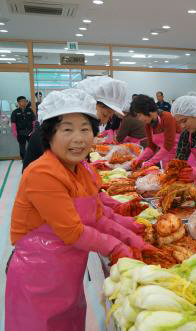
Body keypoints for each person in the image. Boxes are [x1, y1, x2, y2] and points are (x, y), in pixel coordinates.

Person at [5, 89, 149, 331]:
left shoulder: (79, 169)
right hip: (37, 276)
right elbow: (73, 231)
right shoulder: (43, 172)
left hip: (67, 274)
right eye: (67, 129)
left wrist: (133, 236)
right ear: (49, 134)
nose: (79, 138)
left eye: (85, 129)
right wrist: (116, 247)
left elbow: (97, 215)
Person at [22, 76, 128, 171]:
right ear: (88, 102)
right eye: (105, 114)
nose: (104, 122)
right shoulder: (50, 136)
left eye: (84, 130)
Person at [131, 94, 179, 169]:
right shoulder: (148, 124)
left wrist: (151, 162)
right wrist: (139, 159)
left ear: (147, 110)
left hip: (180, 157)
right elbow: (151, 147)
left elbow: (168, 146)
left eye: (139, 115)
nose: (139, 119)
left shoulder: (167, 117)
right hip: (164, 157)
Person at [10, 96, 35, 160]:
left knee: (32, 145)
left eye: (25, 101)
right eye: (22, 101)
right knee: (22, 147)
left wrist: (35, 129)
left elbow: (34, 120)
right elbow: (13, 123)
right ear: (18, 102)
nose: (24, 102)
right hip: (20, 133)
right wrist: (14, 132)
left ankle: (32, 158)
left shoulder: (30, 110)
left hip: (30, 132)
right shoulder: (15, 112)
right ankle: (24, 159)